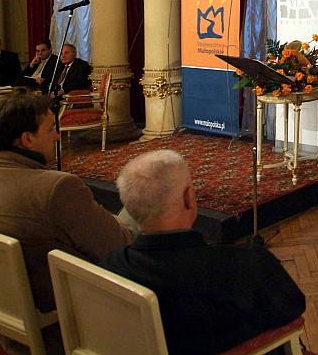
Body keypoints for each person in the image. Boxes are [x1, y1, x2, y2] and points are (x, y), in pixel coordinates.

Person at [101, 150, 306, 355]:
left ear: (130, 206)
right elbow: (292, 308)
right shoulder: (243, 265)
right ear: (189, 199)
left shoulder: (113, 266)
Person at [0, 92, 133, 313]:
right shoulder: (58, 188)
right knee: (140, 206)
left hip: (8, 304)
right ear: (27, 139)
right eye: (50, 129)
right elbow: (118, 247)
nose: (56, 136)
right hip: (78, 309)